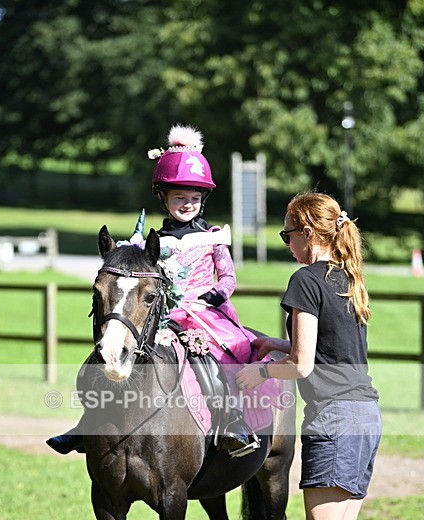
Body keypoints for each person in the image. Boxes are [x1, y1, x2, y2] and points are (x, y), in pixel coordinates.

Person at [48, 125, 277, 457]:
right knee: (106, 356)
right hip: (160, 314)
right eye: (180, 198)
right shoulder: (149, 243)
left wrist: (216, 295)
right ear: (163, 197)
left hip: (205, 314)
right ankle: (90, 422)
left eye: (195, 199)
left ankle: (233, 421)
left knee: (220, 359)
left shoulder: (212, 237)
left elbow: (228, 277)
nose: (188, 204)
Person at [236, 191, 381, 520]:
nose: (287, 244)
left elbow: (301, 365)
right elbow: (324, 348)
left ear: (310, 234)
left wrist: (261, 374)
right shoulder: (346, 279)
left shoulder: (304, 280)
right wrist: (274, 342)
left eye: (289, 234)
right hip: (365, 413)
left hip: (334, 420)